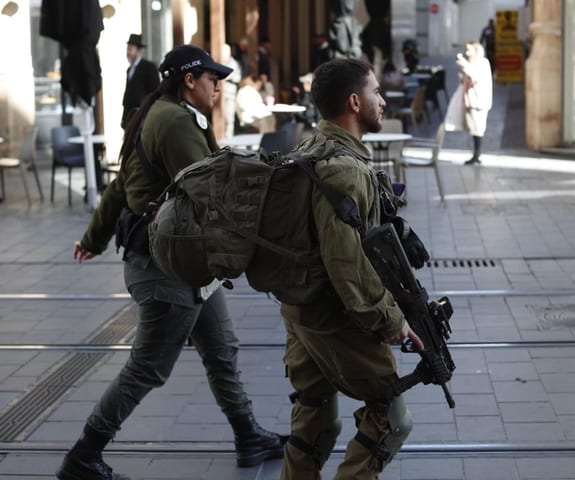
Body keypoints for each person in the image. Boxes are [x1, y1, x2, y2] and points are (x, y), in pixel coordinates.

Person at [56, 45, 285, 480]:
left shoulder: (157, 114)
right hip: (167, 267)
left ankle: (247, 435)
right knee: (148, 367)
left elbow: (121, 187)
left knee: (221, 349)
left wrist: (93, 238)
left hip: (187, 263)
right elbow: (213, 193)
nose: (218, 86)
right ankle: (83, 456)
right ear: (189, 80)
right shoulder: (177, 122)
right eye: (211, 78)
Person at [279, 58, 429, 480]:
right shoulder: (342, 169)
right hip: (335, 317)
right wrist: (392, 321)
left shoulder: (310, 149)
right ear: (353, 101)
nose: (381, 101)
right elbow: (345, 263)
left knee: (315, 422)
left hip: (300, 310)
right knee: (391, 420)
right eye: (375, 93)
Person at [456, 41, 493, 165]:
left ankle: (476, 155)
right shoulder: (472, 63)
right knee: (474, 129)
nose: (467, 53)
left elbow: (475, 77)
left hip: (478, 102)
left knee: (478, 129)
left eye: (469, 50)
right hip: (471, 101)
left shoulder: (482, 63)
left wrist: (465, 65)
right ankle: (476, 154)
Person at [121, 34, 160, 129]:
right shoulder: (130, 69)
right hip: (130, 116)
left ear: (139, 50)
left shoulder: (149, 68)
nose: (128, 52)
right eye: (127, 49)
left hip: (142, 116)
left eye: (130, 49)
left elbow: (155, 92)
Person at [221, 43, 242, 138]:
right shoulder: (217, 62)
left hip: (230, 94)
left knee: (229, 118)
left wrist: (228, 77)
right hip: (217, 95)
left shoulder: (234, 64)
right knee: (219, 117)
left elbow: (238, 78)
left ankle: (228, 139)